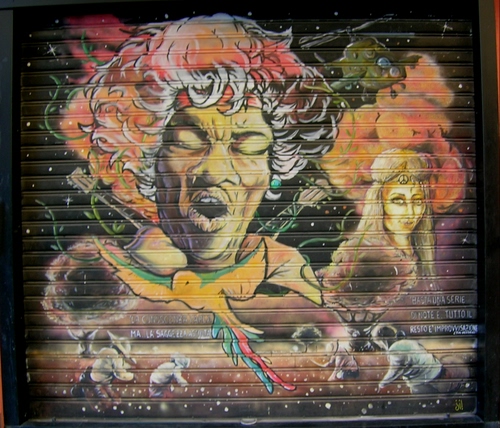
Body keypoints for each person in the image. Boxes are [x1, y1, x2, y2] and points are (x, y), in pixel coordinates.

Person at [60, 13, 338, 393]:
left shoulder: (285, 271)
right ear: (146, 159)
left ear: (276, 165)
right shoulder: (112, 278)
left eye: (249, 146)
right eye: (188, 142)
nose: (215, 172)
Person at [317, 148, 437, 351]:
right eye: (398, 200)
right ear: (380, 202)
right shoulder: (363, 258)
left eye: (417, 201)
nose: (411, 212)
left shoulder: (423, 256)